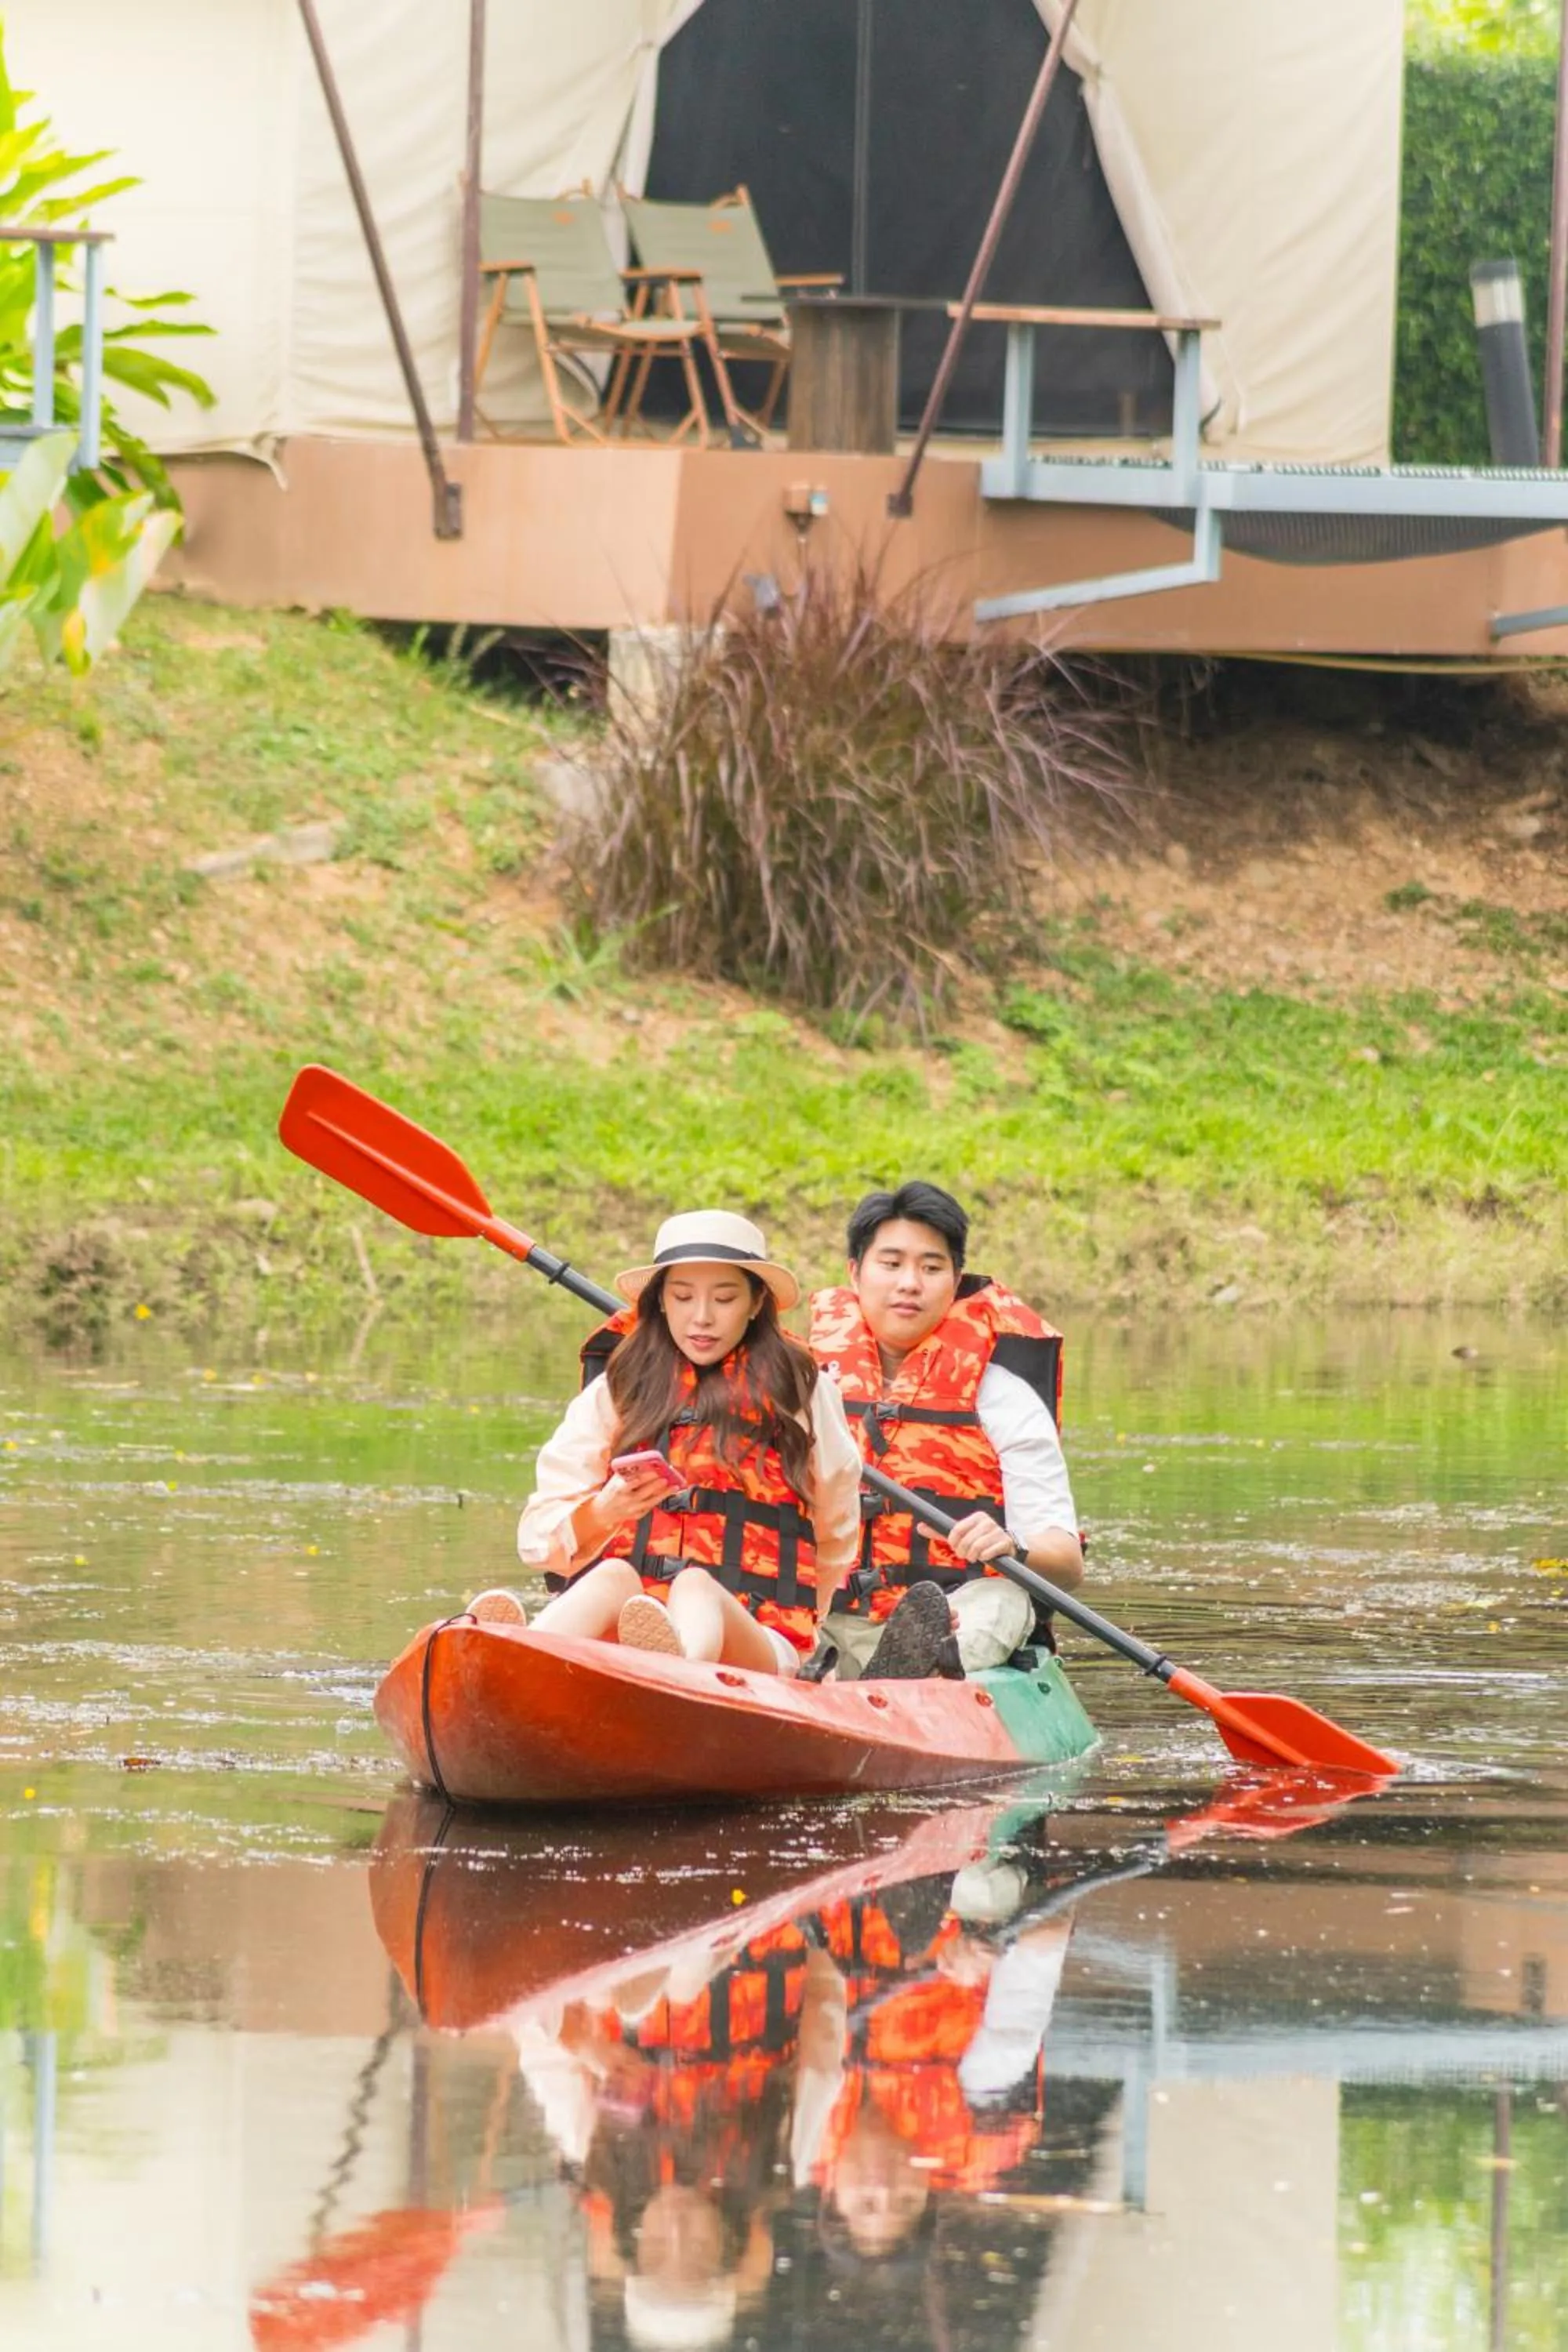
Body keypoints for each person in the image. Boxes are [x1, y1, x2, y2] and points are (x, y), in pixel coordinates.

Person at [477, 1211, 862, 1676]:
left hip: (762, 1635)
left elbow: (836, 1530)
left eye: (724, 1298)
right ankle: (517, 1651)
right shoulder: (620, 1387)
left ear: (757, 1302)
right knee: (615, 1577)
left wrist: (807, 1620)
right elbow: (538, 1538)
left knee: (697, 1586)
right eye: (682, 1297)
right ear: (660, 1301)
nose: (701, 1318)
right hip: (639, 1623)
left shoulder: (802, 1391)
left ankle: (679, 1673)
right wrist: (605, 1512)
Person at [808, 1182, 1083, 1681]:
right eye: (890, 1264)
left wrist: (1013, 1547)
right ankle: (825, 1674)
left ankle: (920, 1668)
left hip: (962, 1606)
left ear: (955, 1281)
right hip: (825, 1611)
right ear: (855, 1273)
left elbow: (1066, 1564)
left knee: (1001, 1599)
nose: (910, 1283)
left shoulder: (1002, 1395)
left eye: (931, 1268)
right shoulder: (800, 1384)